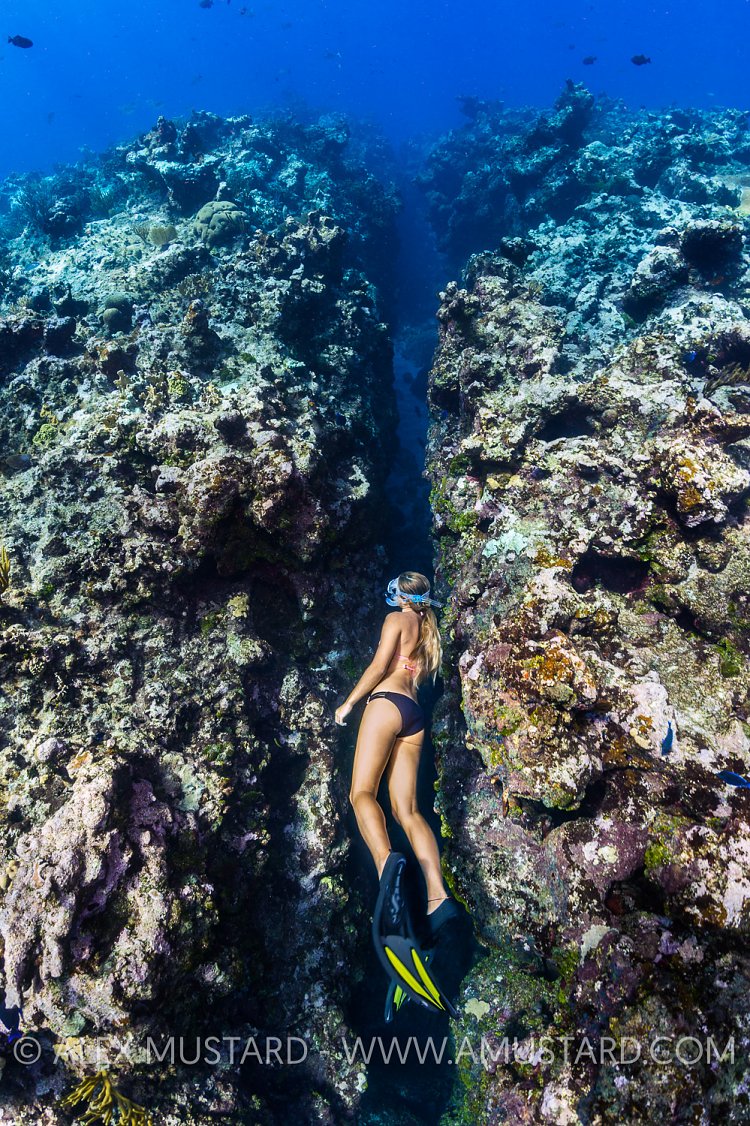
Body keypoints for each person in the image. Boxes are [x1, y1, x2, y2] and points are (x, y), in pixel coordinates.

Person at [335, 572, 460, 947]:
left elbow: (378, 667)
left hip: (386, 702)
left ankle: (385, 865)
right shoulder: (428, 629)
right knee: (408, 811)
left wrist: (349, 703)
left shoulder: (396, 619)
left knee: (361, 794)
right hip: (414, 715)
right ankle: (438, 899)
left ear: (403, 596)